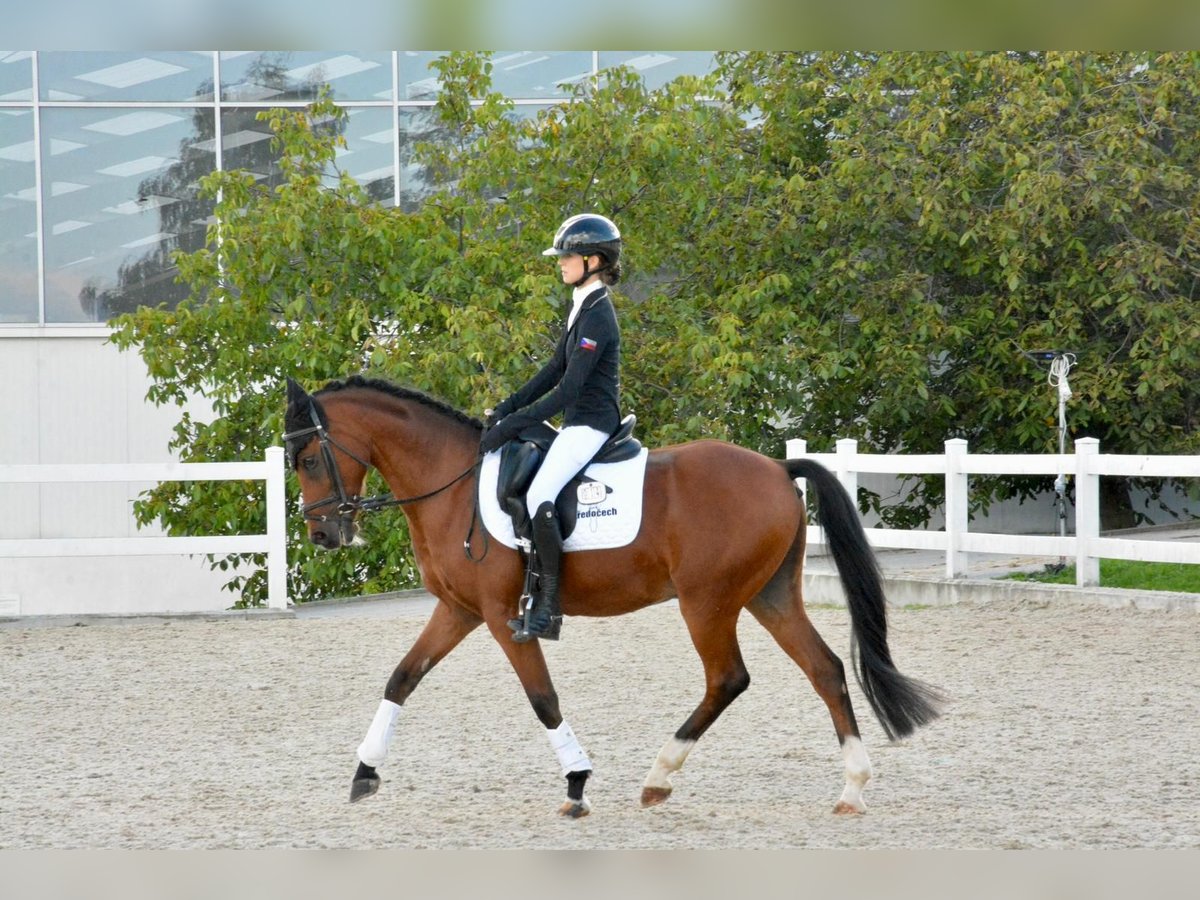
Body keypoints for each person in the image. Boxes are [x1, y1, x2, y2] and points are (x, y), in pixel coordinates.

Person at [479, 213, 624, 643]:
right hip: (575, 422)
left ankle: (548, 608)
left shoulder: (599, 315)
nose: (560, 263)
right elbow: (553, 370)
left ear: (594, 260)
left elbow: (570, 388)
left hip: (591, 424)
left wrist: (513, 426)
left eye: (568, 256)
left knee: (541, 493)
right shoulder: (583, 304)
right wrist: (506, 408)